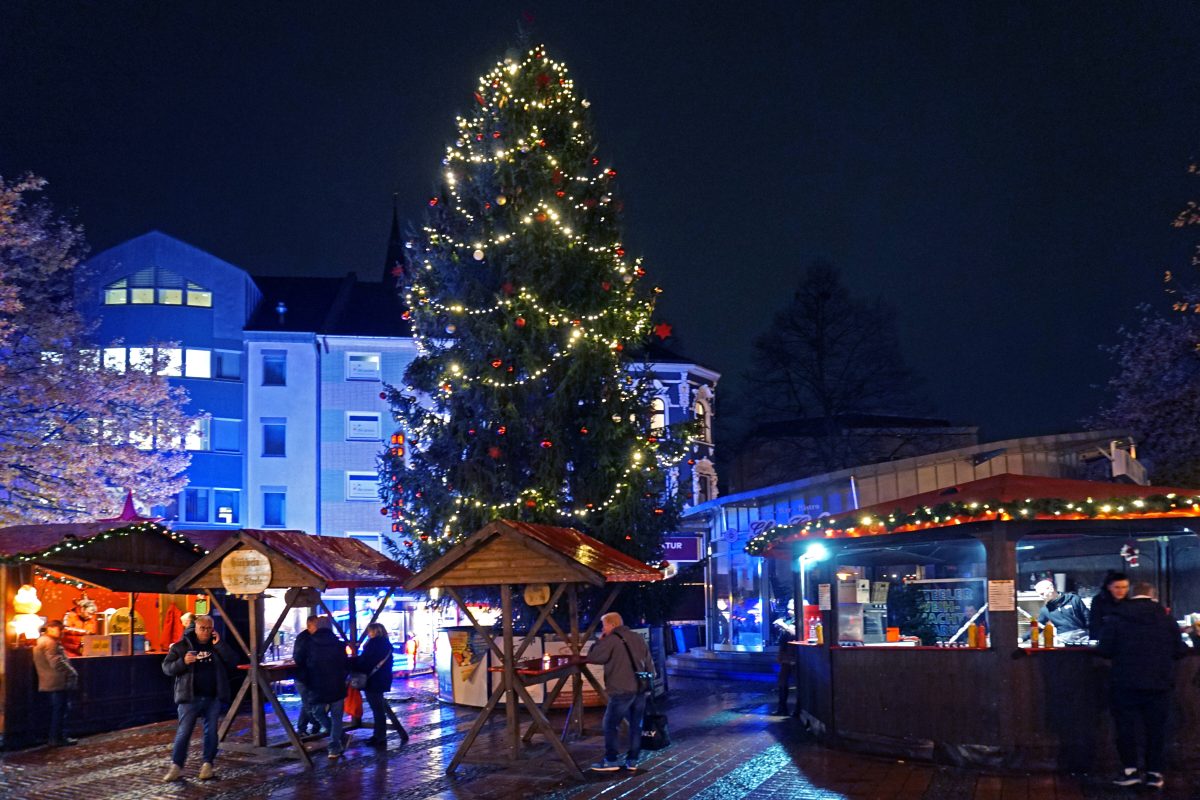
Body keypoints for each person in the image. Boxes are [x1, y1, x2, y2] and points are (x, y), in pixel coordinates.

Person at [1097, 582, 1187, 790]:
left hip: (1125, 682)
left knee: (1125, 728)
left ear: (1131, 594)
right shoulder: (1166, 619)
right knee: (1156, 730)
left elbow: (1104, 649)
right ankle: (1154, 773)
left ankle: (1130, 772)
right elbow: (1179, 651)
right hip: (1159, 683)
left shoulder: (1117, 617)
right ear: (1152, 595)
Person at [161, 614, 237, 782]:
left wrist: (220, 645)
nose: (206, 632)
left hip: (212, 696)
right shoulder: (182, 646)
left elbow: (233, 661)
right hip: (189, 697)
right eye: (203, 628)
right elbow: (167, 668)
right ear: (195, 628)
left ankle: (207, 765)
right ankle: (176, 766)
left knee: (211, 733)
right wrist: (183, 662)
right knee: (184, 732)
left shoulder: (216, 645)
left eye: (209, 629)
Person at [580, 612, 653, 771]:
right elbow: (649, 661)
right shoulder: (637, 637)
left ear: (611, 625)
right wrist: (648, 684)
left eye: (604, 625)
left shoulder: (611, 640)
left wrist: (598, 642)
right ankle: (632, 760)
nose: (603, 628)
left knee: (610, 724)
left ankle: (611, 760)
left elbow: (594, 657)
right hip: (640, 688)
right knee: (636, 725)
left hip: (621, 688)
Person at [294, 616, 349, 759]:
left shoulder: (308, 643)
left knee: (318, 712)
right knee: (337, 717)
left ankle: (336, 740)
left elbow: (299, 660)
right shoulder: (338, 644)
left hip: (317, 684)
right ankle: (334, 746)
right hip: (337, 684)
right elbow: (345, 664)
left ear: (316, 626)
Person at [33, 620, 79, 746]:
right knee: (60, 710)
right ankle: (57, 738)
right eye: (60, 630)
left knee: (56, 710)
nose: (62, 633)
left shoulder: (41, 641)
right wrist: (72, 672)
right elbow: (56, 662)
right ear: (51, 628)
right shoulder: (50, 643)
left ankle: (54, 737)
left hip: (48, 680)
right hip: (57, 680)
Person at [355, 622, 394, 747]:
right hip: (382, 679)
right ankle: (379, 735)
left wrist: (354, 665)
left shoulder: (373, 644)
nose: (368, 633)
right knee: (378, 708)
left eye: (370, 631)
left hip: (373, 680)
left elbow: (365, 662)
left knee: (377, 709)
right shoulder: (386, 644)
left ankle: (379, 736)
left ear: (375, 632)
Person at [1033, 578, 1090, 645]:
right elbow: (1038, 628)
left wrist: (1092, 633)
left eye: (1042, 594)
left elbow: (1088, 617)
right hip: (1062, 641)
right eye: (1039, 595)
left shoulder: (1073, 599)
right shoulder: (1045, 610)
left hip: (1083, 638)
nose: (1041, 597)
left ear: (1051, 589)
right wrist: (1022, 639)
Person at [292, 615, 322, 736]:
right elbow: (299, 658)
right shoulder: (304, 639)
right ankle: (317, 723)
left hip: (308, 675)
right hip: (304, 676)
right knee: (308, 703)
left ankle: (302, 728)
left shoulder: (309, 637)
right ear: (310, 625)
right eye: (317, 624)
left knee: (307, 703)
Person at [1088, 571, 1130, 642]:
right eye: (1117, 587)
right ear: (1109, 587)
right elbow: (1094, 625)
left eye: (1124, 587)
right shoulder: (1099, 601)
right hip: (1104, 641)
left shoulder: (1131, 602)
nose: (1121, 591)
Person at [772, 599, 797, 716]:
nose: (789, 611)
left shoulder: (800, 619)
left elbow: (794, 632)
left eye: (791, 609)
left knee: (798, 681)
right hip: (786, 653)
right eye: (788, 609)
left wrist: (784, 625)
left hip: (796, 653)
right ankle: (782, 707)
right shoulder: (787, 619)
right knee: (782, 681)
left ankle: (798, 708)